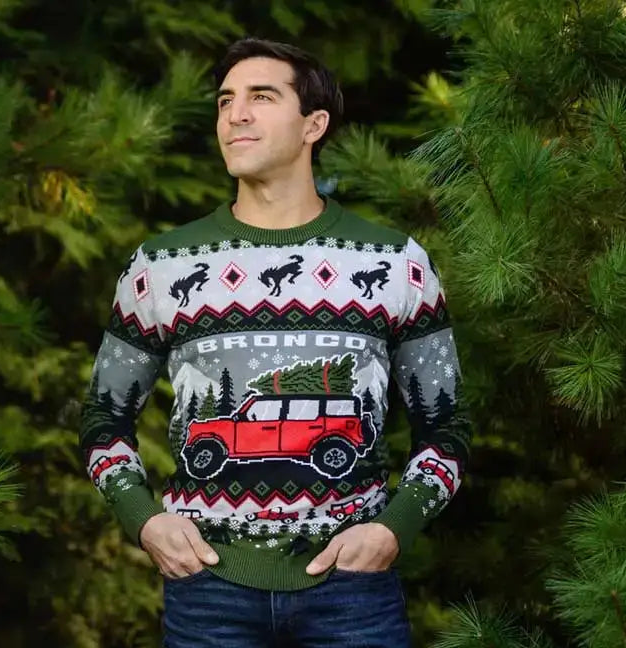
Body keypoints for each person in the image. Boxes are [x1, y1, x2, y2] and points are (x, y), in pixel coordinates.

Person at [77, 38, 472, 647]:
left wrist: (395, 528)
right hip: (208, 589)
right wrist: (144, 519)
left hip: (353, 590)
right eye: (225, 100)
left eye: (261, 97)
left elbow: (446, 426)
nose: (235, 114)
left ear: (314, 124)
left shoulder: (397, 263)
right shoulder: (161, 265)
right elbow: (104, 417)